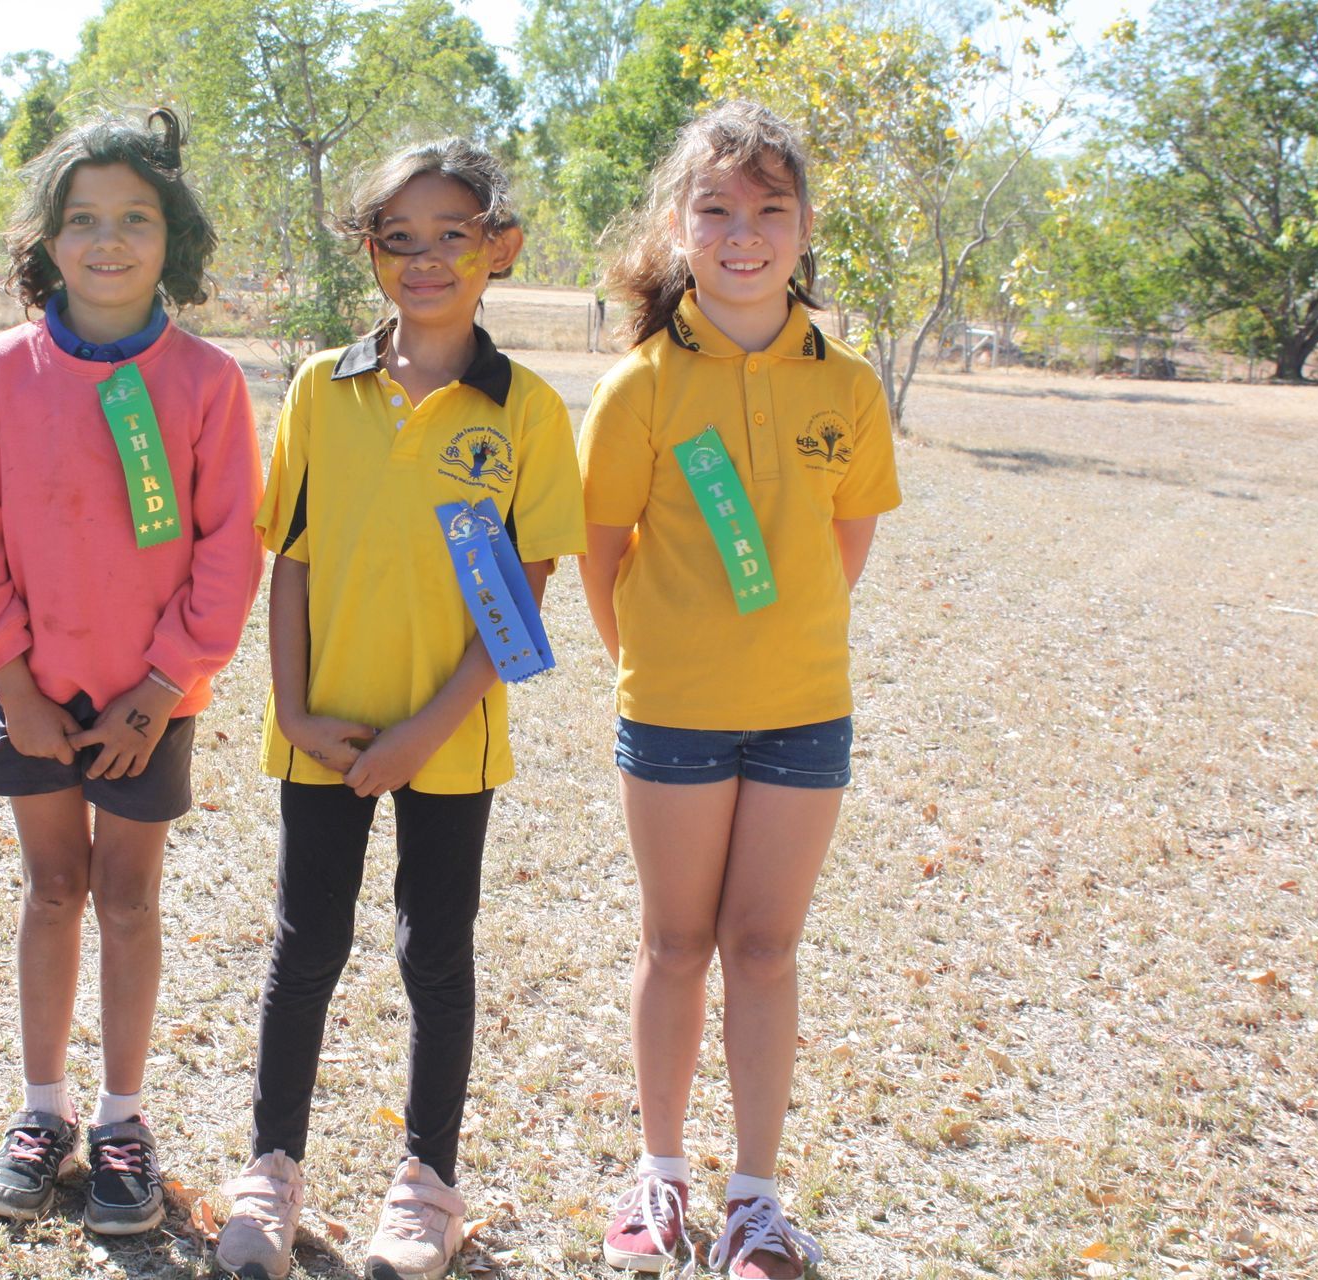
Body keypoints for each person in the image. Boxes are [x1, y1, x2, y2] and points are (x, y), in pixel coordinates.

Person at [214, 139, 586, 1280]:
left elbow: (525, 593)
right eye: (398, 237)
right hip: (321, 728)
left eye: (452, 235)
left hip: (451, 737)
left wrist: (429, 727)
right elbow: (295, 562)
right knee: (305, 944)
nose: (425, 260)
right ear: (368, 248)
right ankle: (271, 1170)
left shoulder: (523, 411)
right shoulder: (323, 390)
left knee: (436, 951)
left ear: (499, 247)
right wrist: (293, 708)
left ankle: (427, 1182)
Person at [579, 100, 901, 1279]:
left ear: (805, 227)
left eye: (770, 209)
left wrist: (780, 647)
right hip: (670, 710)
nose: (744, 232)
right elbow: (602, 559)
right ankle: (659, 1177)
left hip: (806, 704)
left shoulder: (850, 386)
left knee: (764, 947)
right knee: (675, 943)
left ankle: (755, 1200)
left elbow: (844, 546)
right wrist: (661, 662)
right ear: (679, 226)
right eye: (716, 208)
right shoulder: (640, 387)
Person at [0, 108, 263, 1236]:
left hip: (150, 704)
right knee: (52, 891)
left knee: (126, 898)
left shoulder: (210, 382)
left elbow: (228, 550)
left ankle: (123, 1119)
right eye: (83, 220)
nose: (109, 241)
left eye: (135, 218)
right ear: (49, 242)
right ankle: (42, 1115)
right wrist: (14, 682)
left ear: (172, 235)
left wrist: (164, 686)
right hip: (33, 695)